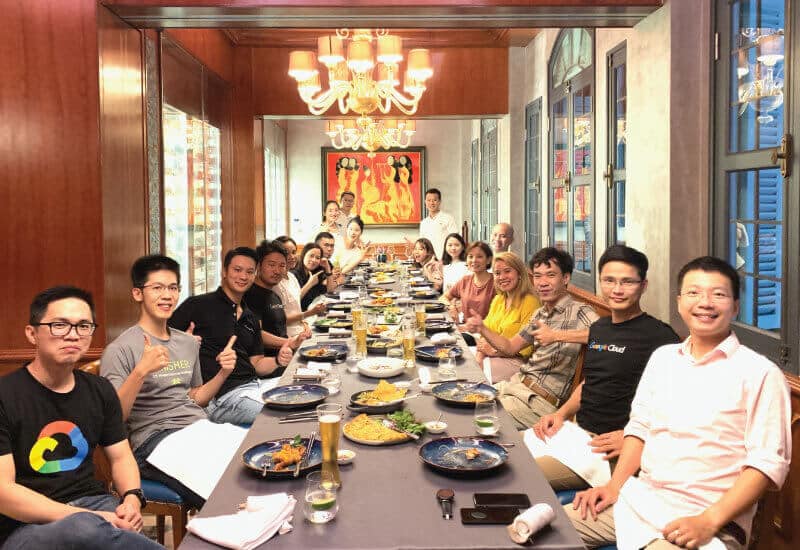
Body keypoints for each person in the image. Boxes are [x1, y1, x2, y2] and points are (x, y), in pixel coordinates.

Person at [566, 256, 792, 550]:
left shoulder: (761, 373)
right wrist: (613, 486)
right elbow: (640, 428)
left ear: (736, 306)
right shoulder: (664, 358)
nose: (705, 303)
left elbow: (766, 465)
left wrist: (708, 521)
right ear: (679, 302)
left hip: (710, 520)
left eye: (718, 294)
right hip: (642, 501)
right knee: (537, 531)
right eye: (694, 292)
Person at [0, 286, 161, 549]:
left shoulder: (99, 390)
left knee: (97, 531)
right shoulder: (5, 395)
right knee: (84, 530)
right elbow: (3, 493)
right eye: (59, 325)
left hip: (94, 505)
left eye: (83, 326)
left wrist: (132, 498)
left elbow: (121, 456)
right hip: (25, 524)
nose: (73, 335)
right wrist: (85, 517)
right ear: (32, 333)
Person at [531, 245, 680, 492]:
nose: (617, 290)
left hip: (609, 452)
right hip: (576, 435)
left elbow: (678, 406)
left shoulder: (660, 337)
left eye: (627, 282)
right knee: (508, 449)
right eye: (609, 281)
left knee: (520, 472)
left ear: (643, 286)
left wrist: (634, 437)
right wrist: (561, 414)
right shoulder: (599, 328)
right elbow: (591, 381)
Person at [101, 255, 235, 510]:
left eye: (173, 288)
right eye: (157, 288)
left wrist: (223, 373)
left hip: (198, 428)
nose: (167, 295)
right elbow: (114, 418)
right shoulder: (120, 349)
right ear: (137, 293)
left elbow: (195, 397)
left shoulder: (187, 342)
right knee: (222, 490)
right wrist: (141, 371)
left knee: (250, 460)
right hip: (152, 440)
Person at [465, 247, 599, 428]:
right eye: (537, 276)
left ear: (565, 278)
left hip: (538, 402)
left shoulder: (580, 311)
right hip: (515, 386)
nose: (542, 283)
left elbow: (609, 338)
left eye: (550, 275)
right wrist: (482, 328)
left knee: (470, 418)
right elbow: (510, 347)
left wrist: (555, 336)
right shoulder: (540, 313)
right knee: (461, 398)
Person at [168, 247, 292, 426]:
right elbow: (161, 340)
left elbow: (257, 363)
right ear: (224, 271)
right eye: (237, 270)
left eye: (249, 272)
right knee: (284, 414)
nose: (243, 276)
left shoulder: (249, 316)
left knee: (304, 394)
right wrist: (183, 344)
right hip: (221, 398)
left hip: (254, 387)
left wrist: (278, 360)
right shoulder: (198, 305)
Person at [476, 252, 540, 383]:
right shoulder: (498, 300)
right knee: (464, 362)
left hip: (518, 362)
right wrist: (479, 357)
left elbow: (527, 349)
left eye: (507, 271)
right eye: (497, 273)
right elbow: (484, 336)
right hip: (491, 356)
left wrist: (494, 352)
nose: (502, 277)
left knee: (471, 374)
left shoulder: (530, 302)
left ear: (519, 273)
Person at [245, 241, 308, 363]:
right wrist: (290, 342)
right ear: (258, 266)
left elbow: (280, 330)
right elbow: (256, 334)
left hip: (286, 358)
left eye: (282, 265)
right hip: (268, 365)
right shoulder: (251, 295)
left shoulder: (273, 294)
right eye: (271, 265)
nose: (277, 271)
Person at [273, 236, 324, 337]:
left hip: (301, 331)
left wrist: (305, 324)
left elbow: (296, 308)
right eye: (286, 253)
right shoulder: (275, 283)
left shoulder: (292, 277)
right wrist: (309, 313)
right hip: (288, 337)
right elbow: (279, 320)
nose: (292, 257)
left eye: (293, 252)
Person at [442, 241, 496, 324]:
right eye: (470, 256)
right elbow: (444, 297)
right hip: (465, 328)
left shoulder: (496, 282)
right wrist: (451, 307)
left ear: (488, 260)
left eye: (479, 257)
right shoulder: (465, 280)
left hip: (487, 330)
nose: (474, 260)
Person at [416, 188, 459, 261]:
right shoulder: (424, 223)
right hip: (428, 260)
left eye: (434, 200)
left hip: (445, 260)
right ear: (425, 202)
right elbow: (421, 244)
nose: (431, 203)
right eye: (429, 200)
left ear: (439, 202)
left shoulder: (448, 218)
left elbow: (455, 240)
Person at [294, 243, 329, 311]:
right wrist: (310, 283)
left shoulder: (315, 273)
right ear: (304, 255)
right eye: (311, 256)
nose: (314, 260)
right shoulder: (294, 274)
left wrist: (327, 268)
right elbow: (294, 301)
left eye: (317, 258)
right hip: (302, 314)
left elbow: (329, 290)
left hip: (315, 312)